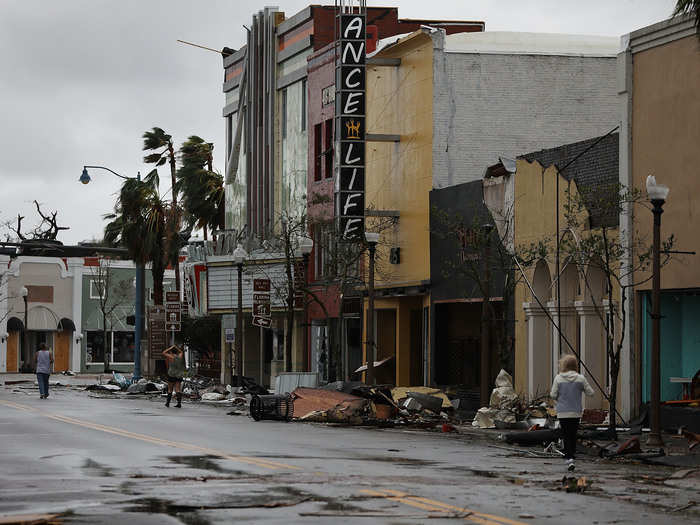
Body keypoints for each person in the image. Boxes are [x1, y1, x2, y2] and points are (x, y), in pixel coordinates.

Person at [550, 354, 594, 472]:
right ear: (575, 365)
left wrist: (560, 397)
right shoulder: (580, 378)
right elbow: (591, 392)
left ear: (563, 365)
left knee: (565, 434)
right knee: (573, 434)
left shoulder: (558, 378)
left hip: (563, 412)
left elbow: (552, 395)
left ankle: (568, 455)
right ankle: (571, 455)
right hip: (575, 412)